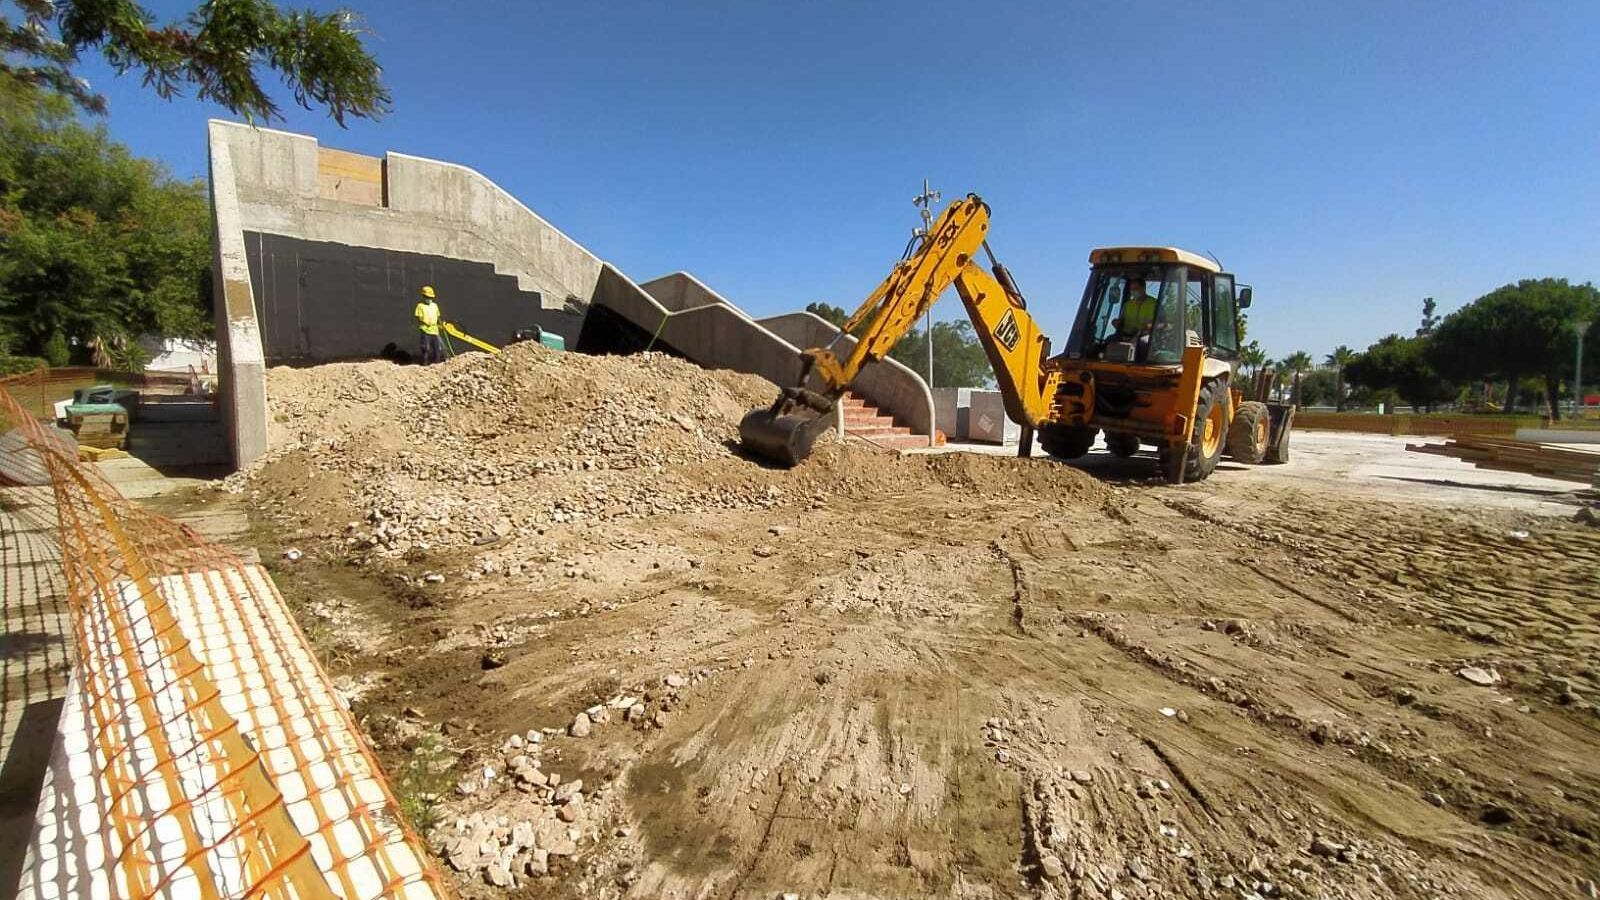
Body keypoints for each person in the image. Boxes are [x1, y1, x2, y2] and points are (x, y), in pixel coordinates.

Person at [414, 285, 444, 364]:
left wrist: (440, 324)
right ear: (423, 296)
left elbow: (438, 316)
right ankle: (425, 364)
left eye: (430, 297)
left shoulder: (435, 306)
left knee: (437, 348)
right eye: (427, 297)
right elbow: (418, 317)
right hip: (425, 330)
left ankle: (437, 363)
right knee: (425, 348)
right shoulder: (420, 306)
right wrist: (425, 323)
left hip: (435, 330)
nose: (429, 299)